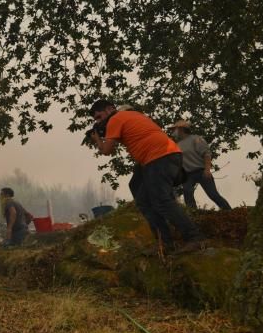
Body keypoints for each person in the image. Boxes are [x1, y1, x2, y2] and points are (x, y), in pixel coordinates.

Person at [88, 100, 206, 253]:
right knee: (143, 200)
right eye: (96, 119)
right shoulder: (132, 115)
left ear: (110, 109)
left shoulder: (115, 119)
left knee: (161, 201)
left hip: (158, 157)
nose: (99, 121)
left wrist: (97, 139)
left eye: (99, 116)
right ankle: (164, 243)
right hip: (165, 155)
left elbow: (107, 150)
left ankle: (195, 238)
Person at [168, 120, 232, 210]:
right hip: (187, 175)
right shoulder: (176, 145)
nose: (172, 132)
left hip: (201, 171)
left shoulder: (195, 139)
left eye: (174, 129)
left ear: (181, 129)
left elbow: (206, 154)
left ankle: (228, 211)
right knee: (188, 194)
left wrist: (207, 170)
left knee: (213, 194)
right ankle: (194, 215)